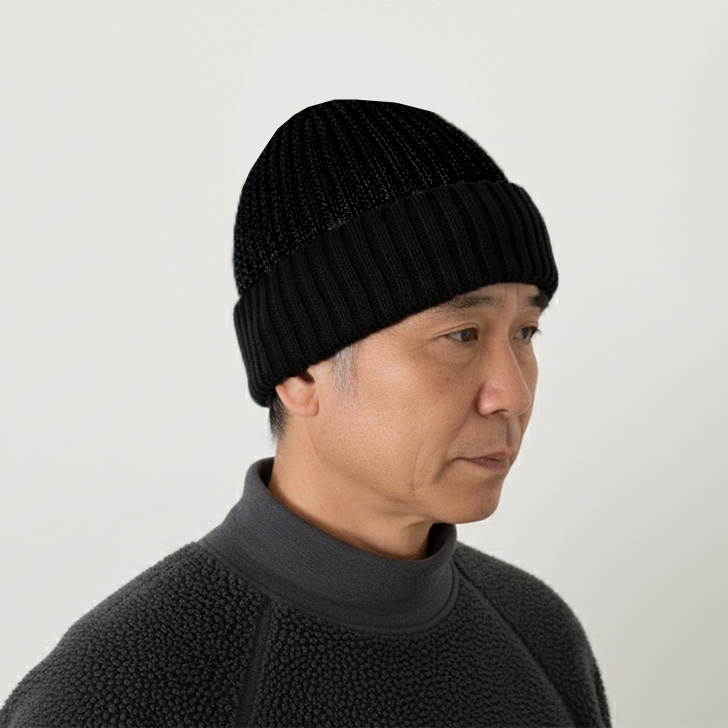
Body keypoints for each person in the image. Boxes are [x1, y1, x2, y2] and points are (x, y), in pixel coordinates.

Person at [0, 99, 611, 727]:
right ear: (298, 373)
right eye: (461, 335)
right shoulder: (116, 696)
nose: (512, 393)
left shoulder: (541, 633)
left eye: (526, 332)